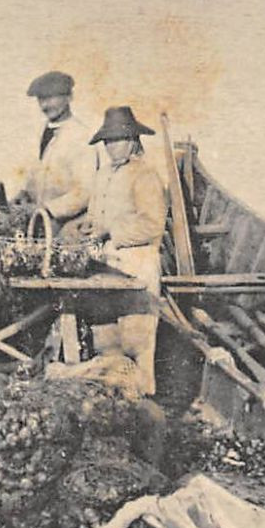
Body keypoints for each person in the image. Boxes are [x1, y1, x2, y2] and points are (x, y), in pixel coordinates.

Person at [80, 106, 168, 395]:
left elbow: (152, 225)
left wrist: (112, 233)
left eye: (117, 140)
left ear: (132, 140)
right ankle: (112, 402)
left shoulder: (145, 175)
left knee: (136, 343)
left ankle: (143, 403)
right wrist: (88, 227)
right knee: (105, 340)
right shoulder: (103, 175)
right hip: (105, 265)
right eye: (107, 141)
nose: (111, 147)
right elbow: (95, 215)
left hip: (136, 265)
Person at [20, 70, 97, 233]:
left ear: (69, 97)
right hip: (38, 224)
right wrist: (24, 194)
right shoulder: (38, 132)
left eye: (50, 98)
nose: (44, 106)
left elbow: (85, 191)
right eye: (41, 99)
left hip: (66, 228)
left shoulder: (81, 136)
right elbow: (36, 175)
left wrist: (49, 210)